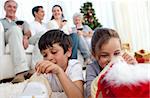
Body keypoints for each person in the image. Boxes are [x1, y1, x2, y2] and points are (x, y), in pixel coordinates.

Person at [85, 28, 137, 98]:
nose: (112, 59)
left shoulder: (124, 63)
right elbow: (91, 95)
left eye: (116, 53)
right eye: (104, 55)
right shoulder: (92, 68)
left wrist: (134, 69)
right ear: (94, 55)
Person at [35, 29, 84, 98]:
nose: (49, 58)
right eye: (45, 55)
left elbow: (78, 97)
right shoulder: (47, 71)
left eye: (54, 52)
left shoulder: (74, 66)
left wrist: (59, 71)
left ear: (68, 51)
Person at [0, 0, 32, 83]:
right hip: (8, 37)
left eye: (14, 7)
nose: (12, 9)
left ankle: (35, 68)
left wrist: (25, 37)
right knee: (15, 29)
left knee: (42, 35)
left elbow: (28, 32)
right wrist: (17, 29)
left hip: (23, 38)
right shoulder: (1, 21)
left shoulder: (23, 22)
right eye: (9, 6)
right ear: (4, 8)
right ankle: (21, 72)